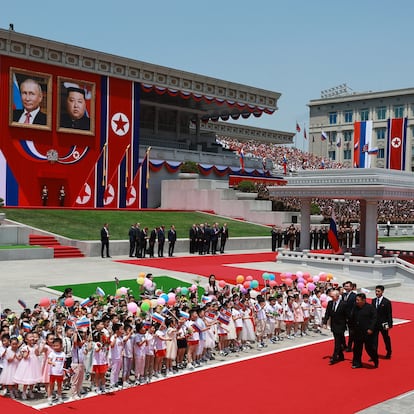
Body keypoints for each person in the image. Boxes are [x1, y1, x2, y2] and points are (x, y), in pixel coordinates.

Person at [350, 293, 378, 369]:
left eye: (358, 300)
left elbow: (374, 319)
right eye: (356, 300)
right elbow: (352, 317)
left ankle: (375, 359)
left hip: (367, 332)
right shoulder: (355, 307)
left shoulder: (370, 308)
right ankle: (357, 363)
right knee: (357, 348)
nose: (357, 301)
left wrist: (371, 328)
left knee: (369, 348)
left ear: (364, 300)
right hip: (357, 332)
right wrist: (351, 328)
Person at [322, 290, 347, 365]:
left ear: (337, 296)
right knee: (339, 340)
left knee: (337, 341)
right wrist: (325, 322)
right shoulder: (330, 303)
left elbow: (347, 315)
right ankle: (341, 355)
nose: (331, 298)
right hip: (333, 325)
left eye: (333, 296)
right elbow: (327, 313)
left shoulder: (343, 304)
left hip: (341, 325)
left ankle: (334, 356)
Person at [372, 285, 393, 359]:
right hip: (375, 324)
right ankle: (374, 354)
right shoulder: (373, 300)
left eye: (378, 291)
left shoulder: (386, 302)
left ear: (382, 292)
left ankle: (389, 351)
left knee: (386, 338)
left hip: (384, 324)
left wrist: (389, 325)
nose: (377, 293)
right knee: (374, 340)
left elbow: (389, 314)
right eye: (376, 291)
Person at [47, 337, 66, 405]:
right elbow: (48, 360)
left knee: (59, 386)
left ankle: (59, 397)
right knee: (51, 385)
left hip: (60, 373)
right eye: (54, 345)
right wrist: (52, 363)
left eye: (57, 345)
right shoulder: (52, 353)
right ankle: (49, 398)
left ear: (61, 345)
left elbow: (64, 364)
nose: (55, 347)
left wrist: (64, 371)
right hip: (53, 373)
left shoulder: (63, 354)